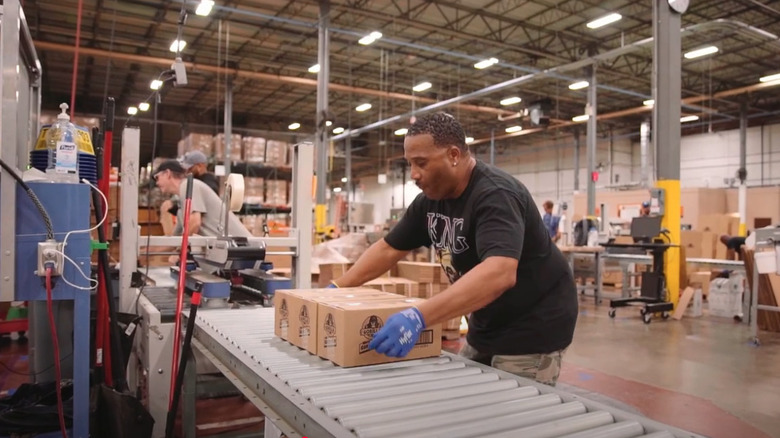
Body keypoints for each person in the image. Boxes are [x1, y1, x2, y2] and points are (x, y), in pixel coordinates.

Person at [331, 112, 578, 386]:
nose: (413, 174)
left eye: (421, 163)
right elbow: (389, 249)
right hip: (487, 319)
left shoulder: (495, 195)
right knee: (469, 396)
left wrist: (418, 317)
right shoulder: (431, 200)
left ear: (453, 155)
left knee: (509, 415)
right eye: (410, 163)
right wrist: (338, 288)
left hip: (534, 322)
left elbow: (499, 273)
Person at [153, 160, 250, 264]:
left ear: (167, 174)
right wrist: (143, 251)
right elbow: (174, 240)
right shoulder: (181, 206)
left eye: (157, 177)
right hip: (229, 257)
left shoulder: (188, 185)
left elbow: (194, 223)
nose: (157, 183)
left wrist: (179, 251)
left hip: (243, 252)